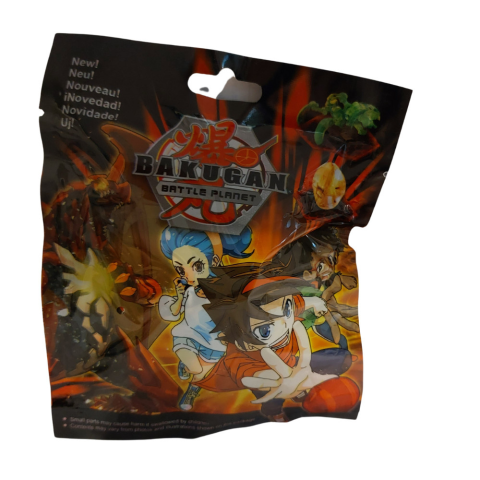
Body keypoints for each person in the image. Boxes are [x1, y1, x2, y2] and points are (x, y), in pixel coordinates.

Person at [159, 226, 253, 410]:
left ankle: (192, 390)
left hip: (215, 345)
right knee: (195, 368)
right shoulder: (188, 290)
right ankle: (186, 364)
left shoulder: (227, 292)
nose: (188, 275)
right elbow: (173, 314)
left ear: (214, 261)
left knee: (201, 375)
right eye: (180, 269)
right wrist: (179, 297)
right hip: (188, 335)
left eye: (196, 266)